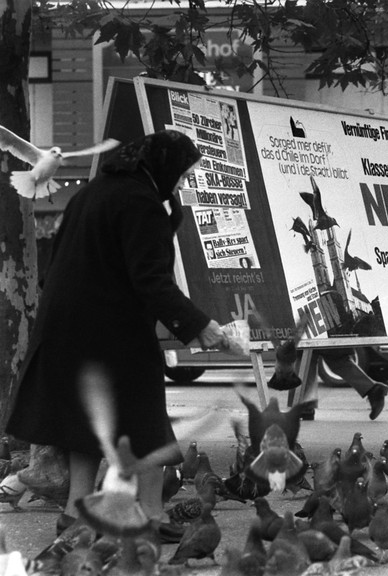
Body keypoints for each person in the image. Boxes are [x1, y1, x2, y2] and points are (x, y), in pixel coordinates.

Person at [6, 130, 228, 542]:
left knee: (86, 425)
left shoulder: (93, 193)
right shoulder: (140, 204)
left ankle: (76, 515)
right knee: (146, 422)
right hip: (111, 329)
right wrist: (199, 326)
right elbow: (151, 280)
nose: (182, 183)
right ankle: (149, 516)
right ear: (161, 167)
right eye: (181, 174)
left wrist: (170, 215)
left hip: (67, 328)